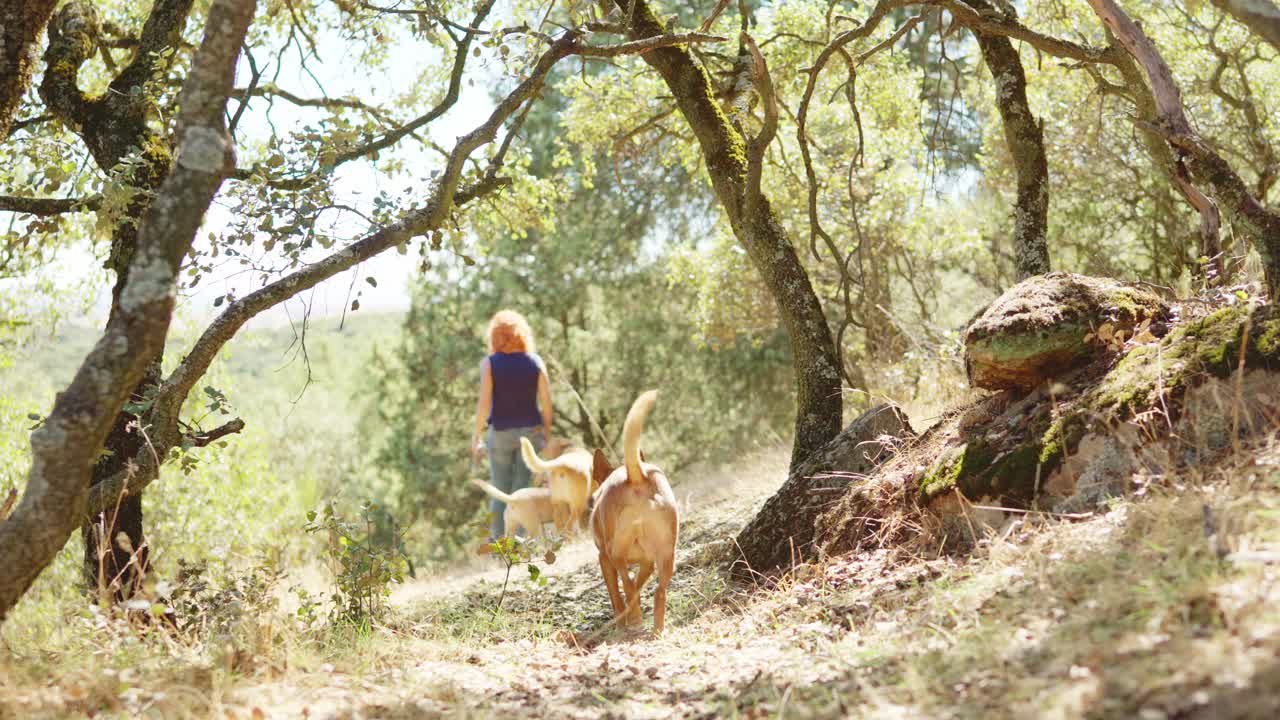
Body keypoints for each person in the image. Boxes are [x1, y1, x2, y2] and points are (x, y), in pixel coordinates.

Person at [472, 309, 553, 543]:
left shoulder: (490, 364)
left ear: (494, 337)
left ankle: (499, 544)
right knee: (522, 489)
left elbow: (484, 404)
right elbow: (547, 404)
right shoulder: (535, 362)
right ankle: (518, 541)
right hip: (531, 433)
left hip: (500, 435)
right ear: (522, 335)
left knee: (500, 490)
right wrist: (546, 432)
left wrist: (477, 436)